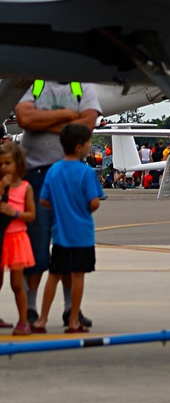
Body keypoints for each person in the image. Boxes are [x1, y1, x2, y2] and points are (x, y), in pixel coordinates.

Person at [14, 77, 102, 328]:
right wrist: (65, 117)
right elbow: (24, 119)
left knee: (67, 245)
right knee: (37, 245)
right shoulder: (38, 84)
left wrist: (42, 121)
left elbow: (86, 125)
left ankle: (69, 309)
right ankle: (30, 308)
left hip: (65, 175)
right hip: (35, 173)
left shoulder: (82, 86)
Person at [36, 123, 103, 334]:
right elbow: (94, 202)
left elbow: (44, 201)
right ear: (78, 147)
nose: (89, 147)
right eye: (88, 143)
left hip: (60, 234)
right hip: (81, 234)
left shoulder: (54, 171)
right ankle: (73, 320)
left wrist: (61, 207)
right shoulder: (86, 172)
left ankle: (42, 320)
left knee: (54, 275)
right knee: (78, 276)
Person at [0, 138, 36, 334]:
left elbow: (31, 215)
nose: (4, 168)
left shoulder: (25, 188)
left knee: (16, 283)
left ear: (18, 164)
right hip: (1, 237)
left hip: (16, 238)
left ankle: (24, 320)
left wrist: (13, 213)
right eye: (1, 164)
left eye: (8, 163)